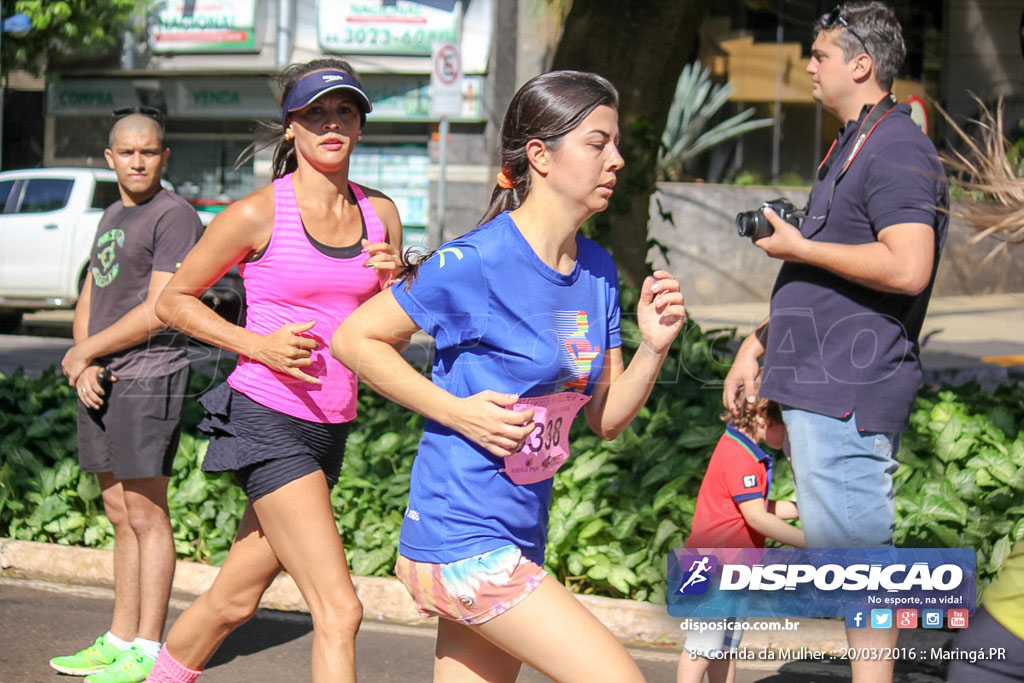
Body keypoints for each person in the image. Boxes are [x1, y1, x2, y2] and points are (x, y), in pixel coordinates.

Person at [332, 70, 686, 683]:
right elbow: (352, 338)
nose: (618, 160)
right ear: (541, 156)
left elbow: (605, 419)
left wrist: (653, 347)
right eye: (598, 144)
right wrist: (455, 409)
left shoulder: (596, 269)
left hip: (520, 530)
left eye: (616, 144)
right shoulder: (476, 262)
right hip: (460, 533)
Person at [145, 59, 402, 683]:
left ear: (361, 125)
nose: (331, 124)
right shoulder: (258, 213)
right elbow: (172, 301)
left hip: (330, 423)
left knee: (233, 602)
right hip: (267, 419)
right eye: (315, 113)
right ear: (292, 127)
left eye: (345, 111)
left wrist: (401, 280)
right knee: (339, 611)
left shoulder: (382, 214)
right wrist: (255, 345)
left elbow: (389, 326)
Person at [722, 3, 948, 681]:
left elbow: (908, 265)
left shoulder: (898, 145)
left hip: (849, 391)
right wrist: (757, 342)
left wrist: (799, 245)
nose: (807, 65)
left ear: (861, 64)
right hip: (820, 384)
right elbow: (825, 276)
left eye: (819, 55)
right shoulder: (852, 144)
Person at [50, 110, 202, 683]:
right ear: (109, 158)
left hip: (149, 373)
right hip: (103, 377)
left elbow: (161, 308)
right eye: (127, 152)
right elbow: (93, 288)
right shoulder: (112, 214)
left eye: (149, 151)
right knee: (117, 511)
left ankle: (147, 646)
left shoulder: (175, 215)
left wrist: (85, 354)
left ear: (164, 157)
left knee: (146, 510)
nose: (138, 161)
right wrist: (82, 355)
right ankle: (118, 636)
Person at [677, 388, 803, 683]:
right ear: (762, 416)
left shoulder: (742, 448)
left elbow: (755, 506)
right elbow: (757, 517)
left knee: (724, 648)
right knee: (703, 648)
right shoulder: (740, 455)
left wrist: (803, 509)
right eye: (786, 425)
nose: (788, 436)